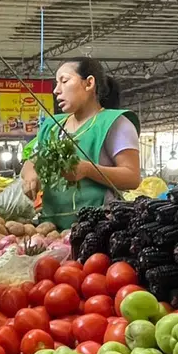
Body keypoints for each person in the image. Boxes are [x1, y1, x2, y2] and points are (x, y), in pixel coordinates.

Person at [21, 57, 142, 229]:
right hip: (50, 228)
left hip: (97, 226)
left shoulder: (115, 123)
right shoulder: (51, 126)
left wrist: (87, 169)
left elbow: (132, 178)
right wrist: (30, 174)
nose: (56, 90)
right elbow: (31, 162)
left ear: (89, 83)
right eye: (56, 83)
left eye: (64, 81)